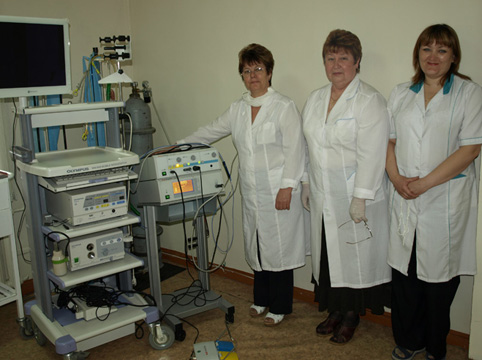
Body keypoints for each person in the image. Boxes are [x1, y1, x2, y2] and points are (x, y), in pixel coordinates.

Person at [178, 43, 306, 326]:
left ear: (269, 72)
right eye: (247, 71)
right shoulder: (238, 108)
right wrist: (178, 146)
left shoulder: (283, 106)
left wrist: (287, 187)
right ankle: (261, 299)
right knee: (257, 244)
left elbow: (296, 149)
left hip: (278, 189)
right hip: (251, 191)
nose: (253, 75)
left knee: (278, 247)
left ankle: (280, 305)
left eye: (258, 69)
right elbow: (210, 131)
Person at [387, 24, 482, 360]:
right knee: (406, 272)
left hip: (444, 200)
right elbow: (388, 141)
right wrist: (396, 178)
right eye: (426, 49)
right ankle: (408, 340)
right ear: (418, 54)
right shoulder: (401, 93)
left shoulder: (469, 93)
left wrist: (424, 183)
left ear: (454, 56)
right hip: (404, 195)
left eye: (442, 50)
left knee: (439, 280)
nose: (433, 56)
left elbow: (470, 149)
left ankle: (436, 346)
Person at [302, 29, 391, 345]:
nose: (336, 64)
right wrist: (306, 182)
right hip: (324, 194)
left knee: (354, 259)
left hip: (355, 196)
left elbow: (373, 153)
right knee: (329, 256)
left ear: (357, 62)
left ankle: (351, 315)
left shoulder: (369, 101)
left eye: (343, 58)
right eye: (330, 58)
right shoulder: (315, 99)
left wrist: (361, 197)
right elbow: (308, 146)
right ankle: (335, 310)